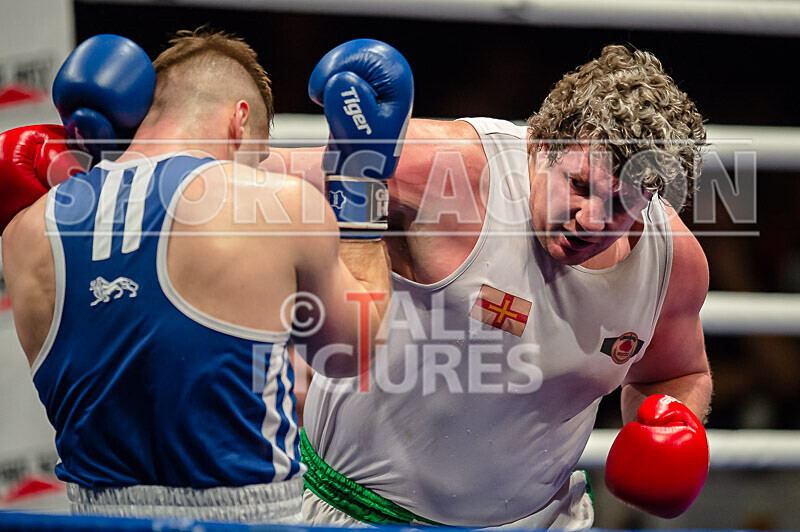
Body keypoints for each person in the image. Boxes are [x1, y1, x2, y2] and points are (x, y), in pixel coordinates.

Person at [265, 43, 712, 528]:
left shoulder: (672, 262)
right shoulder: (454, 173)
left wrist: (673, 422)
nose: (595, 220)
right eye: (580, 186)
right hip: (362, 513)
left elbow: (676, 373)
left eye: (624, 203)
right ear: (540, 146)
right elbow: (250, 183)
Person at [0, 30, 410, 523]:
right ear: (239, 121)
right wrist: (361, 179)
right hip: (248, 516)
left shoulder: (24, 234)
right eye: (257, 156)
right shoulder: (276, 204)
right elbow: (350, 352)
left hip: (93, 518)